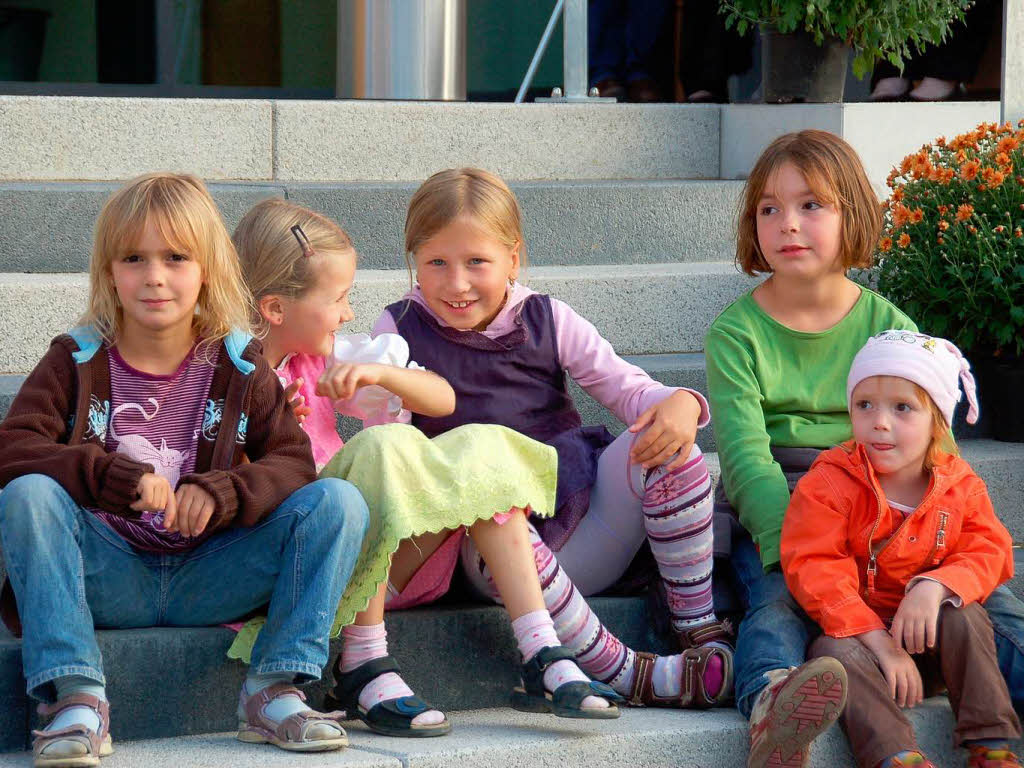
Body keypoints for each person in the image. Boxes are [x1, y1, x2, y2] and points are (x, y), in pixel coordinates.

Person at [0, 173, 370, 764]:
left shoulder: (238, 363)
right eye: (134, 258)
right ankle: (75, 697)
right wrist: (108, 476)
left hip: (211, 570)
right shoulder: (76, 357)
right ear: (108, 271)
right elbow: (13, 448)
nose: (154, 276)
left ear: (208, 269)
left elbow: (295, 462)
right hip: (106, 572)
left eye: (176, 257)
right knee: (27, 495)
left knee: (339, 503)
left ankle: (274, 689)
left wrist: (226, 492)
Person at [233, 198, 622, 736]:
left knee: (481, 450)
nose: (349, 313)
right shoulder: (225, 379)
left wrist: (381, 375)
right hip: (302, 571)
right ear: (277, 310)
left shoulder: (322, 361)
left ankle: (542, 652)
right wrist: (263, 433)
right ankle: (362, 663)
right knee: (382, 447)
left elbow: (442, 400)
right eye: (339, 299)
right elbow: (229, 491)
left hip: (384, 568)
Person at [706, 129, 1024, 768]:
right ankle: (773, 705)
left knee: (993, 604)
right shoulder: (736, 333)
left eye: (811, 205)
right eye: (769, 208)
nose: (787, 224)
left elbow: (932, 452)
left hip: (889, 500)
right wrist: (790, 546)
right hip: (788, 498)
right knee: (777, 602)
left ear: (852, 214)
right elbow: (745, 457)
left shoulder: (889, 325)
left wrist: (919, 561)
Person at [370, 166, 733, 710]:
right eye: (436, 263)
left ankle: (698, 631)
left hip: (579, 513)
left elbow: (627, 388)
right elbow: (395, 458)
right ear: (413, 261)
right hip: (484, 550)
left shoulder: (546, 318)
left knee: (670, 447)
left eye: (477, 262)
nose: (457, 283)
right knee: (496, 502)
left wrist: (681, 403)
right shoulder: (399, 327)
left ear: (513, 258)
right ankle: (624, 670)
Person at [781, 331, 1022, 768]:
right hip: (862, 645)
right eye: (864, 405)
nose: (880, 422)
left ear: (938, 421)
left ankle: (991, 744)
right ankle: (897, 755)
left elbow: (990, 549)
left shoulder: (958, 485)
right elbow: (814, 565)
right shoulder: (830, 481)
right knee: (832, 656)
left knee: (965, 615)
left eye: (903, 408)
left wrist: (933, 586)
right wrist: (881, 645)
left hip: (932, 645)